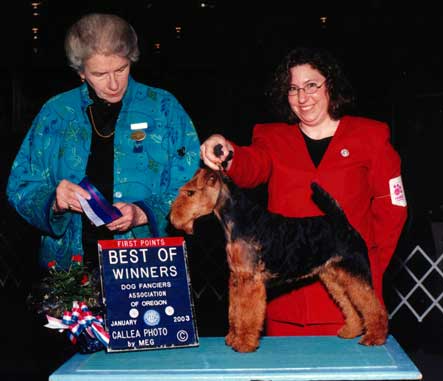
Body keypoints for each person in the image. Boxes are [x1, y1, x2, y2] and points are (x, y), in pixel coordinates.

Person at [201, 46, 408, 336]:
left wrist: (370, 263)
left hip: (349, 302)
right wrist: (227, 151)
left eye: (311, 85)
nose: (302, 97)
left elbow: (393, 208)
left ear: (330, 85)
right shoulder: (271, 136)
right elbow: (252, 165)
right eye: (293, 89)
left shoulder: (371, 135)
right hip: (288, 309)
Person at [6, 12, 200, 271]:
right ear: (81, 73)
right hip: (70, 268)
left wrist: (143, 212)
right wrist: (54, 199)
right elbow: (20, 185)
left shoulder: (163, 108)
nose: (113, 83)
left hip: (146, 266)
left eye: (121, 69)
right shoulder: (56, 113)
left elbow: (194, 183)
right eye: (99, 74)